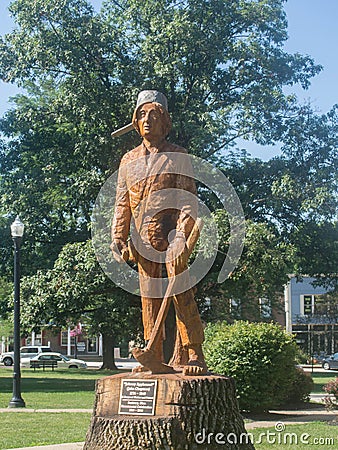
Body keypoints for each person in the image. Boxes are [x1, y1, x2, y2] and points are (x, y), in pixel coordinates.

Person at [111, 90, 207, 375]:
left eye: (154, 115)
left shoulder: (178, 155)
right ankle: (153, 353)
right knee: (149, 300)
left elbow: (188, 199)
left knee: (181, 293)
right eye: (142, 115)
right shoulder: (128, 160)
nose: (147, 120)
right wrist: (118, 238)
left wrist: (181, 236)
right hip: (141, 240)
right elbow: (122, 202)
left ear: (165, 122)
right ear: (136, 122)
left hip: (172, 235)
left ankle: (194, 353)